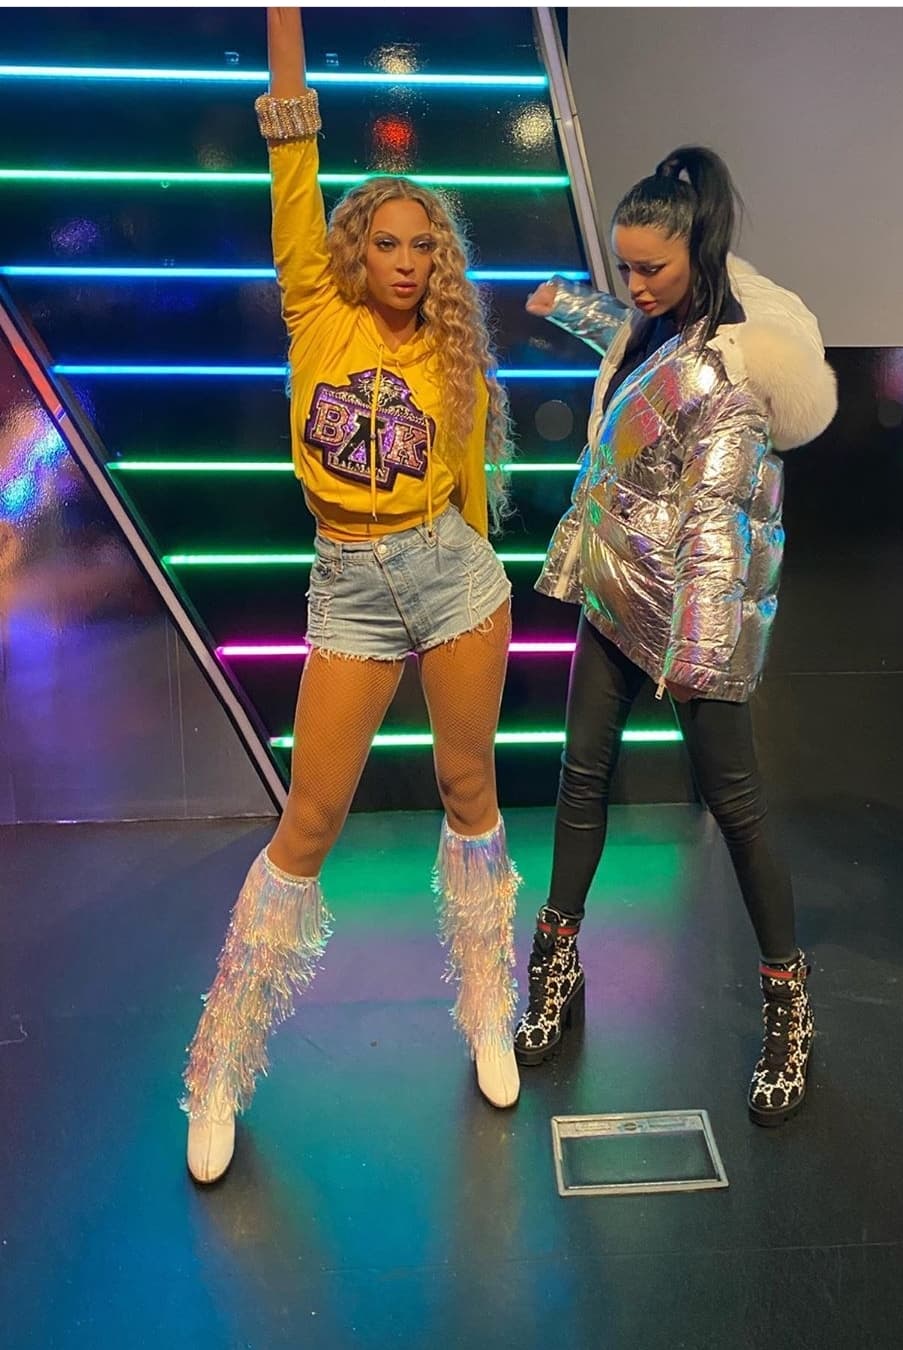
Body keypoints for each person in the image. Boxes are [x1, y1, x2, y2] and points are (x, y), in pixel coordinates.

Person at [182, 6, 521, 1184]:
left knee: (469, 789)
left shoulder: (453, 349)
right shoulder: (314, 310)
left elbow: (468, 491)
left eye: (425, 247)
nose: (409, 262)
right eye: (389, 243)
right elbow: (292, 136)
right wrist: (284, 18)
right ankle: (218, 1067)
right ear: (354, 251)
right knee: (309, 824)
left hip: (453, 577)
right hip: (350, 589)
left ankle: (489, 1007)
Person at [515, 147, 837, 1125]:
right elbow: (639, 349)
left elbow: (717, 526)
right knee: (580, 777)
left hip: (694, 615)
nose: (635, 284)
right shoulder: (659, 324)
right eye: (624, 266)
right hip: (616, 589)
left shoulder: (732, 371)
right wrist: (571, 307)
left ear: (700, 252)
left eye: (651, 267)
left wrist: (693, 657)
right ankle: (555, 961)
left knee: (737, 807)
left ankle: (787, 1002)